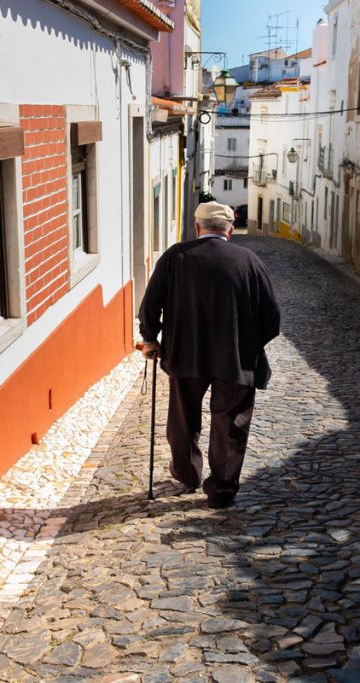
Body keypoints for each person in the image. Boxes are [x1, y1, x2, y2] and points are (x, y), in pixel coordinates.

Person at [138, 201, 281, 509]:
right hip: (236, 359)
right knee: (230, 424)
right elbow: (272, 317)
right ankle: (221, 491)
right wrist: (249, 344)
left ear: (197, 227)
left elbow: (150, 305)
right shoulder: (249, 261)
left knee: (182, 419)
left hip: (185, 355)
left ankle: (187, 474)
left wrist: (150, 338)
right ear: (230, 230)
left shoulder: (175, 257)